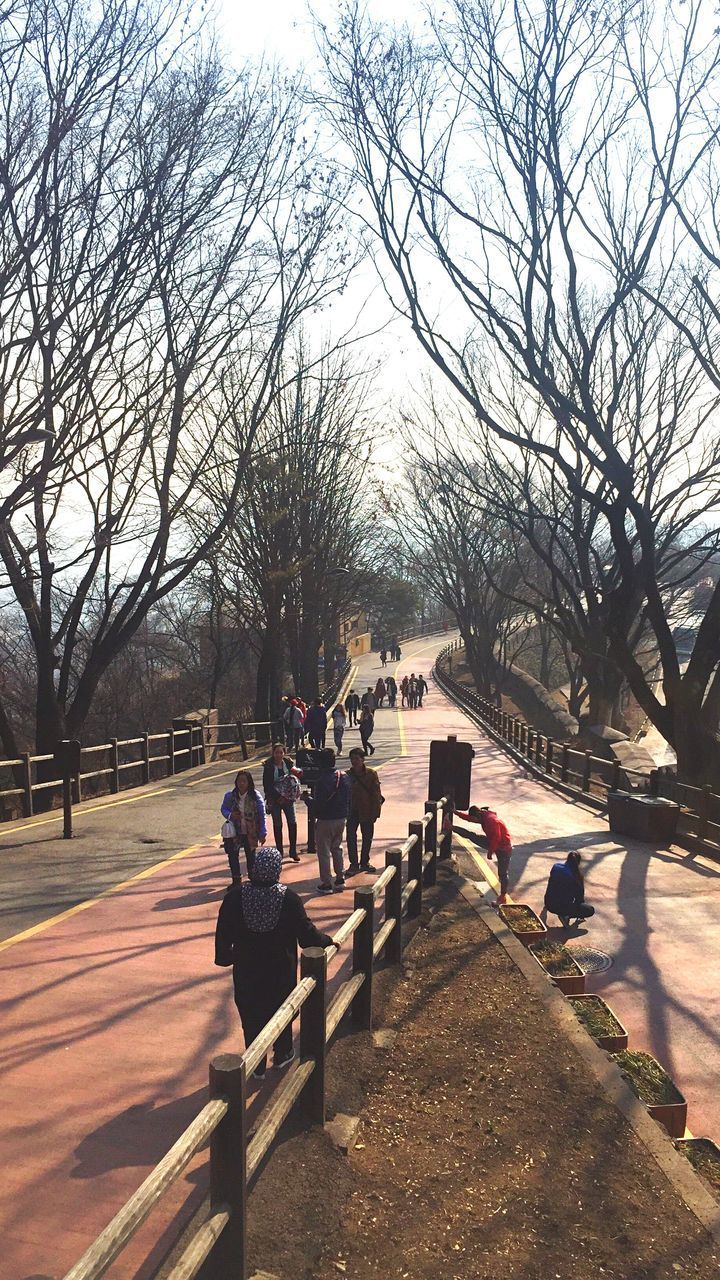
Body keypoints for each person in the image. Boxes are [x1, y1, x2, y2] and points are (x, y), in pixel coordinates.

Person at [215, 846, 334, 1078]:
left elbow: (223, 933)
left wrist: (224, 957)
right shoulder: (289, 899)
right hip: (280, 968)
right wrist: (328, 941)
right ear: (277, 869)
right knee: (282, 1008)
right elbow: (307, 935)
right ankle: (283, 1052)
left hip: (246, 969)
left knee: (250, 1013)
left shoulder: (234, 898)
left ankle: (255, 1063)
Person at [454, 804, 513, 904]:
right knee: (471, 836)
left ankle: (503, 896)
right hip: (492, 843)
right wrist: (456, 813)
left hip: (503, 848)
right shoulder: (483, 816)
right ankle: (450, 827)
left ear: (478, 815)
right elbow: (470, 818)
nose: (474, 821)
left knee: (503, 874)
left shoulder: (491, 820)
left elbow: (497, 838)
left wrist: (490, 852)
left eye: (475, 819)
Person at [312, 748, 352, 893]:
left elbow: (318, 803)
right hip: (341, 818)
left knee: (323, 852)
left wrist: (307, 800)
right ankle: (340, 878)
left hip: (325, 819)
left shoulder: (321, 780)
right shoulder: (344, 776)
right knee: (337, 847)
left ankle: (327, 883)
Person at [220, 771, 267, 883]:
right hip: (235, 831)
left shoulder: (255, 796)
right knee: (232, 855)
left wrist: (262, 832)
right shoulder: (230, 796)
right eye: (239, 781)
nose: (241, 784)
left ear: (249, 783)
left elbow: (261, 814)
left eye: (244, 781)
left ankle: (253, 879)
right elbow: (223, 809)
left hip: (251, 831)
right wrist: (230, 815)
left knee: (251, 856)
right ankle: (236, 880)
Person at [262, 743, 301, 862]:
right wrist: (274, 797)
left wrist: (286, 796)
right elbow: (267, 785)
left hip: (288, 799)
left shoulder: (289, 764)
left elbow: (295, 781)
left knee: (292, 822)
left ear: (284, 753)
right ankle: (279, 851)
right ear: (273, 754)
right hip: (275, 799)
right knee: (277, 824)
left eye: (281, 752)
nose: (279, 755)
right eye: (276, 752)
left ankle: (293, 851)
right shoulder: (268, 766)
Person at [346, 747, 381, 875]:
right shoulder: (347, 775)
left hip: (367, 810)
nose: (354, 761)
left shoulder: (371, 774)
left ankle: (364, 862)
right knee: (351, 836)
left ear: (362, 759)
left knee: (367, 837)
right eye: (352, 759)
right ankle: (354, 864)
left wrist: (376, 812)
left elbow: (376, 795)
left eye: (356, 758)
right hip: (352, 811)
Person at [543, 851, 595, 928]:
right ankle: (566, 916)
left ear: (567, 859)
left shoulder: (556, 867)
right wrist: (579, 913)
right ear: (578, 863)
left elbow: (550, 884)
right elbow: (579, 900)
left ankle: (565, 913)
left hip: (548, 903)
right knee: (590, 910)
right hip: (561, 907)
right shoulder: (577, 877)